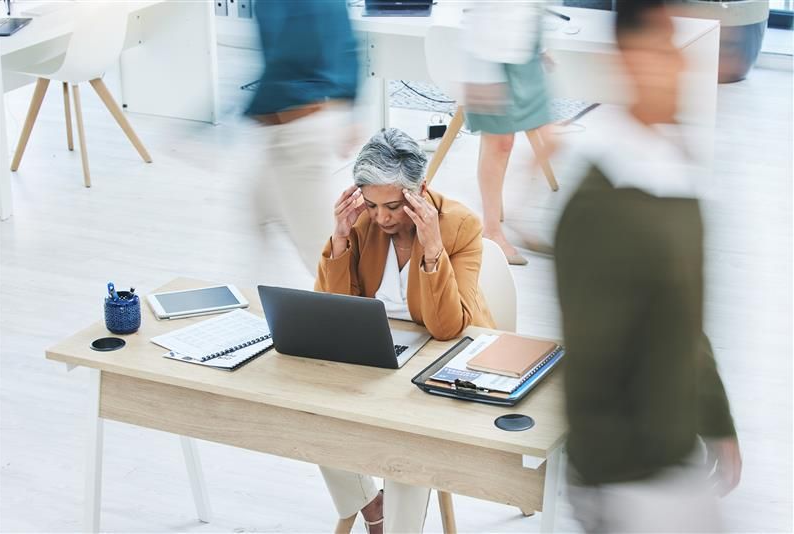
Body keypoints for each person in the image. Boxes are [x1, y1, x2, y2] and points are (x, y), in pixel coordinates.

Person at [554, 1, 742, 531]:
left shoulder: (673, 173)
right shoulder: (602, 201)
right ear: (629, 58)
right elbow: (591, 359)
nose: (684, 67)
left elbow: (683, 319)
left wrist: (717, 422)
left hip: (672, 462)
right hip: (630, 478)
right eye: (665, 49)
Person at [315, 128, 495, 533]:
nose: (382, 218)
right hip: (376, 358)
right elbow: (333, 313)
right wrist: (340, 240)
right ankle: (371, 507)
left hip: (441, 360)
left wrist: (432, 250)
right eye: (372, 204)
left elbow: (447, 327)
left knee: (406, 447)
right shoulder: (361, 221)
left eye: (394, 206)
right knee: (316, 419)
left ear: (420, 190)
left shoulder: (460, 226)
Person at [247, 0, 359, 276]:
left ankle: (359, 316)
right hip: (295, 129)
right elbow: (345, 44)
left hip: (298, 132)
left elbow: (285, 56)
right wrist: (347, 102)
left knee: (327, 260)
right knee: (256, 220)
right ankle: (260, 312)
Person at [464, 1, 555, 265]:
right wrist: (482, 73)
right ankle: (492, 231)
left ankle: (516, 208)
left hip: (525, 47)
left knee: (551, 138)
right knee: (500, 143)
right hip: (491, 52)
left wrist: (541, 46)